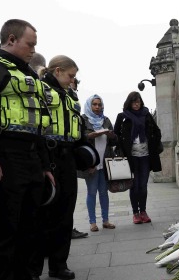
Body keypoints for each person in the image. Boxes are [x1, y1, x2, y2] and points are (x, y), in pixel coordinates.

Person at [0, 19, 55, 280]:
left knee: (29, 224)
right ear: (11, 40)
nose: (33, 50)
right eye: (30, 44)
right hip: (5, 155)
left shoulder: (27, 74)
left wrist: (45, 165)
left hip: (30, 156)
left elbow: (35, 123)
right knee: (3, 228)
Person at [31, 55, 84, 280]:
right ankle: (36, 268)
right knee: (45, 213)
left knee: (65, 211)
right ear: (58, 71)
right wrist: (43, 163)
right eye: (71, 75)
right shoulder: (40, 90)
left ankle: (59, 264)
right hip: (49, 154)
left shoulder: (70, 96)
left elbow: (77, 128)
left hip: (67, 156)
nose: (73, 80)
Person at [114, 91, 162, 224]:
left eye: (138, 101)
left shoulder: (147, 115)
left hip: (145, 156)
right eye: (134, 101)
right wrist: (121, 146)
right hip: (131, 158)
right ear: (129, 102)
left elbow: (157, 132)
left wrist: (152, 143)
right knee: (134, 185)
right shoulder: (122, 117)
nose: (136, 104)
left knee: (143, 185)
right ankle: (135, 213)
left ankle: (143, 211)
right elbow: (116, 135)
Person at [80, 94, 116, 231]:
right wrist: (90, 135)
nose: (97, 107)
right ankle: (92, 222)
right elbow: (79, 138)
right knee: (91, 192)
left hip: (105, 162)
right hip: (91, 162)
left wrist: (111, 135)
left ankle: (105, 220)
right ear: (89, 106)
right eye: (94, 104)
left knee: (103, 192)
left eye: (99, 105)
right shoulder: (83, 119)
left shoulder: (105, 120)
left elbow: (114, 141)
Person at [68, 76, 88, 239]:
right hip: (58, 156)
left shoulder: (72, 101)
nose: (73, 89)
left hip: (69, 157)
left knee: (69, 199)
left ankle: (68, 227)